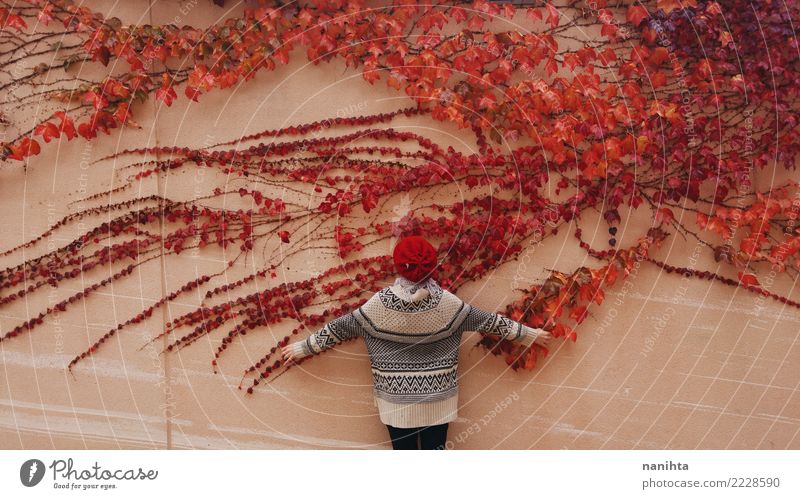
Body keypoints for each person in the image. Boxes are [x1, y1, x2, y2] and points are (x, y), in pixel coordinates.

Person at [281, 235, 553, 450]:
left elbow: (339, 329)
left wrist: (303, 348)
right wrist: (529, 334)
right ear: (432, 265)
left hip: (395, 402)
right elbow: (490, 322)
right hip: (439, 400)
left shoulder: (379, 305)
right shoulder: (448, 304)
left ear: (399, 266)